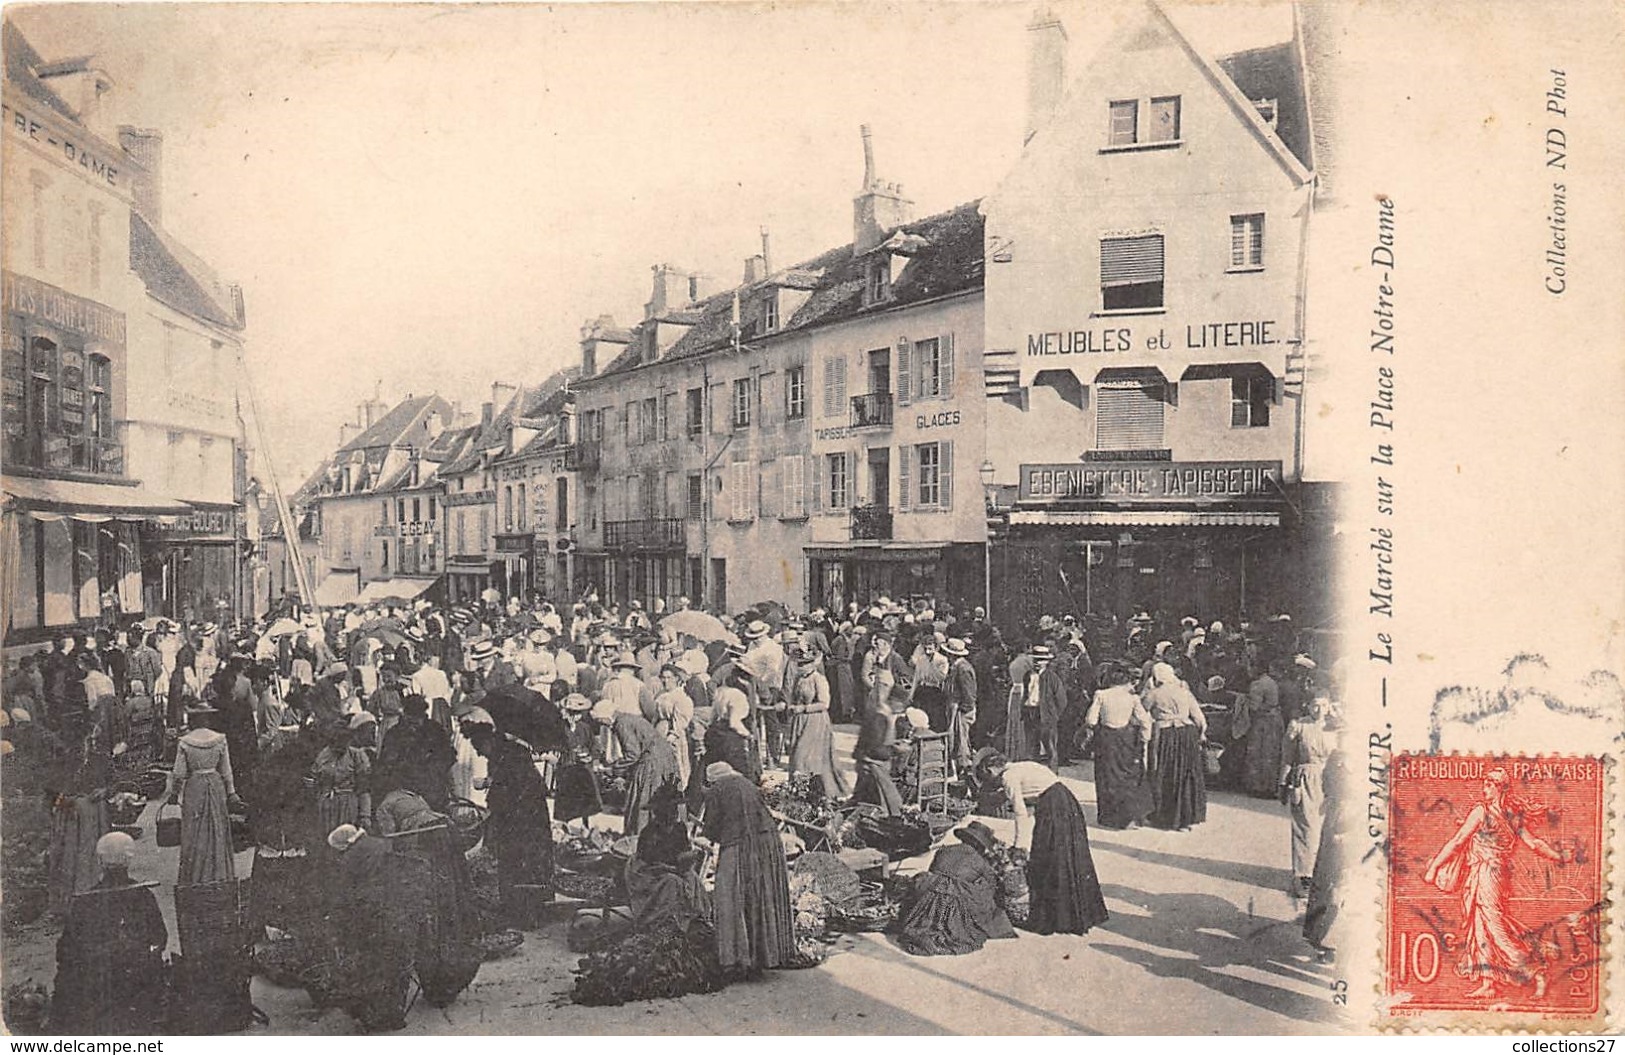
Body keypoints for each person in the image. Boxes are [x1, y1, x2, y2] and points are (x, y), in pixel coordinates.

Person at [1422, 767, 1571, 999]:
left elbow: (1459, 840)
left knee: (1494, 927)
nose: (1484, 788)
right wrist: (1559, 856)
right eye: (1485, 784)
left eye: (1488, 784)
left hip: (1487, 875)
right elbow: (1535, 844)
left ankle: (1536, 971)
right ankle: (1489, 983)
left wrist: (1434, 867)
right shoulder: (1511, 816)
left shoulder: (1481, 812)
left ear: (1498, 788)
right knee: (1480, 926)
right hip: (1490, 874)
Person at [51, 833, 169, 1035]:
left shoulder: (84, 902)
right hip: (138, 986)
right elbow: (160, 938)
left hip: (97, 988)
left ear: (100, 861)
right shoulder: (143, 896)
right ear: (129, 860)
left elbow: (65, 949)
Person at [702, 761, 795, 975]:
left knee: (730, 895)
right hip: (768, 842)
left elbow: (712, 829)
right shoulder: (746, 783)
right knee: (763, 895)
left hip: (741, 844)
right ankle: (768, 953)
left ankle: (735, 957)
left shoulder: (716, 789)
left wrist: (705, 839)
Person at [464, 711, 554, 926]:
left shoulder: (511, 753)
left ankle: (528, 912)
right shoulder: (500, 753)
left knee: (524, 860)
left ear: (486, 741)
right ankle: (518, 907)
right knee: (516, 861)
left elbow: (514, 786)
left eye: (479, 749)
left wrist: (490, 788)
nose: (480, 754)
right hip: (518, 813)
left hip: (525, 814)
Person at [894, 820, 1016, 956]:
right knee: (980, 893)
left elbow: (933, 870)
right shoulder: (979, 861)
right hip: (955, 904)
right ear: (978, 844)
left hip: (929, 896)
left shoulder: (944, 850)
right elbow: (992, 884)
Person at [1024, 775, 1109, 936]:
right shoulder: (1023, 769)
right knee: (1068, 857)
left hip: (1052, 806)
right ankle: (1074, 916)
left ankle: (1056, 918)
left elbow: (1021, 815)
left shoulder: (1009, 777)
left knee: (1048, 856)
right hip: (1064, 800)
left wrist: (1018, 845)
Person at [166, 705, 241, 885]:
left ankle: (196, 876)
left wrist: (174, 794)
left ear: (192, 721)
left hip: (195, 787)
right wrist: (231, 792)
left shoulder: (185, 742)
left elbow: (178, 773)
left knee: (194, 830)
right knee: (216, 826)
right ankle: (218, 874)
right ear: (207, 720)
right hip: (215, 785)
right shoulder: (219, 739)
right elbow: (226, 770)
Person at [625, 779, 711, 931]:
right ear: (659, 813)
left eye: (675, 810)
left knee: (693, 879)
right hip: (650, 874)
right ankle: (665, 922)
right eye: (669, 811)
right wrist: (671, 868)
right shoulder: (650, 832)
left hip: (674, 868)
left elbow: (683, 851)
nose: (674, 814)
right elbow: (649, 863)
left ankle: (696, 918)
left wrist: (690, 857)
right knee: (672, 882)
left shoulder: (680, 828)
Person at [1280, 694, 1340, 896]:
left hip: (1330, 780)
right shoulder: (1298, 726)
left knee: (1327, 827)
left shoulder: (1336, 728)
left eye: (1324, 705)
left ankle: (1321, 875)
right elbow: (1287, 756)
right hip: (1305, 777)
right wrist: (1283, 782)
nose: (1319, 709)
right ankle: (1303, 876)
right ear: (1308, 705)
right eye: (1315, 705)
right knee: (1305, 827)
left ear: (1330, 706)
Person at [1084, 664, 1155, 830]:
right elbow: (1145, 720)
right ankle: (1128, 817)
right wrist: (1145, 738)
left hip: (1106, 740)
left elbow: (1091, 720)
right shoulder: (1132, 698)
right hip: (1126, 740)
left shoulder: (1101, 694)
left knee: (1106, 777)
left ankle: (1109, 817)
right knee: (1126, 777)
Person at [1143, 661, 1208, 831]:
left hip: (1165, 736)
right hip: (1186, 735)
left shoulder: (1154, 694)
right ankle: (1185, 818)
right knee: (1185, 774)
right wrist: (1200, 734)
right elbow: (1200, 719)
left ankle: (1165, 816)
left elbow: (1142, 713)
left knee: (1165, 773)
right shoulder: (1185, 693)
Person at [785, 647, 849, 798]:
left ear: (813, 664)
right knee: (796, 756)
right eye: (799, 664)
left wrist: (804, 708)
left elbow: (824, 704)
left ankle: (810, 791)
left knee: (804, 757)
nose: (801, 667)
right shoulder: (799, 679)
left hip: (815, 721)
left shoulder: (819, 679)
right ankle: (798, 792)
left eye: (805, 664)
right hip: (799, 721)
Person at [612, 711, 681, 837]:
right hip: (665, 758)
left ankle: (641, 835)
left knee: (644, 800)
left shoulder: (621, 724)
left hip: (652, 763)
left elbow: (632, 754)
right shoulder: (629, 718)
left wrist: (617, 769)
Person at [310, 721, 373, 839]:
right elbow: (316, 779)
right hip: (327, 806)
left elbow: (364, 788)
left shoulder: (356, 755)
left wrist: (365, 815)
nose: (339, 746)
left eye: (344, 742)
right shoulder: (323, 755)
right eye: (335, 742)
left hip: (348, 805)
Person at [851, 685, 905, 816]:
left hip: (867, 763)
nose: (902, 709)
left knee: (862, 801)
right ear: (893, 701)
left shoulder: (881, 714)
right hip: (870, 766)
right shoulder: (880, 718)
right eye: (901, 704)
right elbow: (875, 749)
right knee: (882, 803)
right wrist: (896, 750)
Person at [1235, 661, 1285, 798]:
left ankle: (1258, 787)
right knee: (1272, 754)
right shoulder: (1271, 682)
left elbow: (1254, 707)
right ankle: (1270, 786)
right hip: (1275, 720)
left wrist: (1241, 700)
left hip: (1263, 722)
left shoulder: (1257, 685)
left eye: (1251, 666)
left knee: (1258, 753)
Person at [704, 673, 760, 783]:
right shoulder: (738, 696)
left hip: (716, 732)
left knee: (716, 769)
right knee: (739, 772)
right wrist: (748, 735)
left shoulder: (721, 693)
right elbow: (734, 722)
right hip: (730, 737)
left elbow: (713, 716)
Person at [941, 637, 978, 773]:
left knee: (961, 740)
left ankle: (965, 768)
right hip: (954, 706)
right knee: (956, 738)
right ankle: (958, 766)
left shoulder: (963, 668)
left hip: (961, 709)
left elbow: (969, 692)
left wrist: (964, 709)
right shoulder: (956, 666)